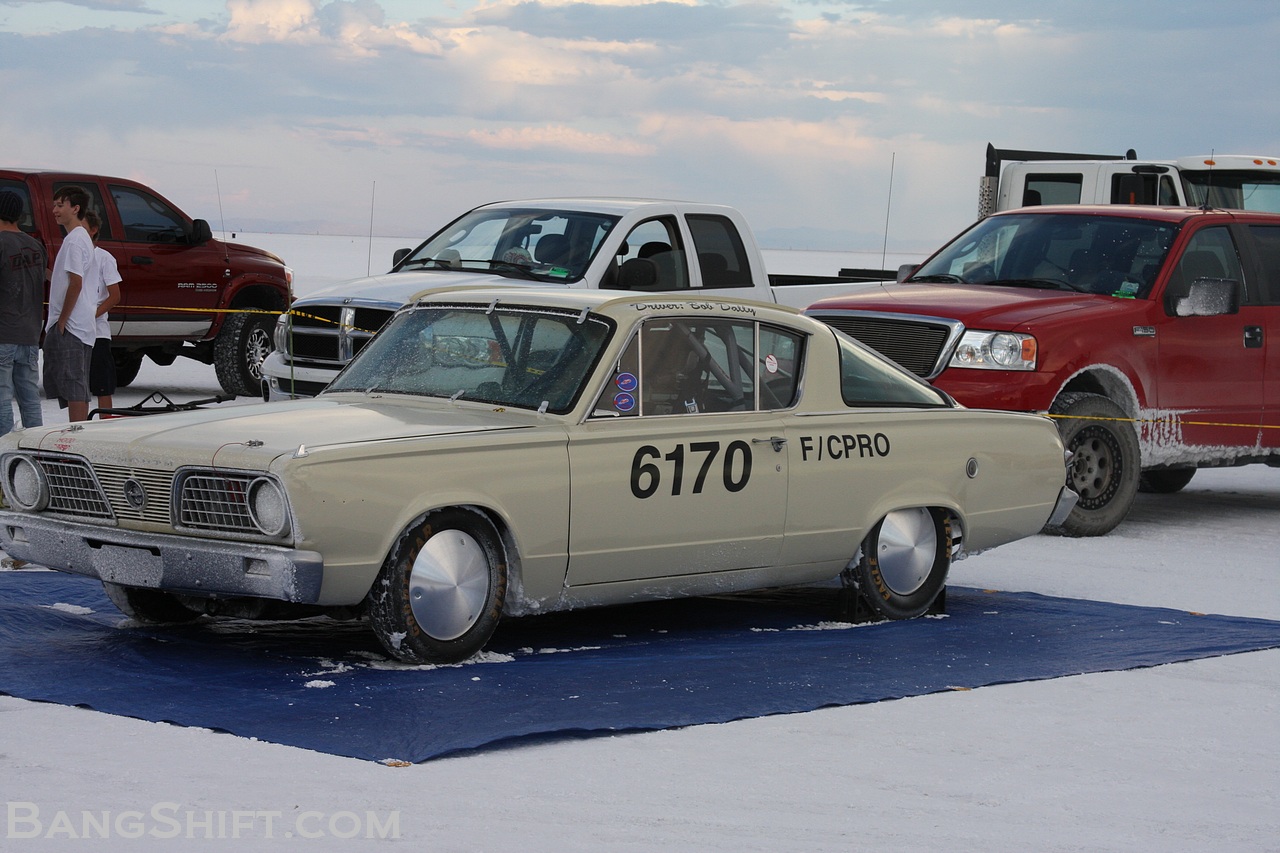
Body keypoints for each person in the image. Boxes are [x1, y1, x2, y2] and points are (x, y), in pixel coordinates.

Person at [44, 185, 98, 422]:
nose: (54, 210)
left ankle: (77, 438)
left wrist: (63, 320)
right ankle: (77, 434)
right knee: (73, 383)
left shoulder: (75, 240)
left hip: (73, 325)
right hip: (78, 323)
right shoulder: (77, 238)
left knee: (74, 384)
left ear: (75, 208)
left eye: (60, 205)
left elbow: (76, 282)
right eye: (54, 205)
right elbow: (66, 279)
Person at [0, 190, 45, 434]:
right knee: (30, 398)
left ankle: (4, 456)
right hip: (29, 333)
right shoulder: (36, 246)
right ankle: (37, 451)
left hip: (3, 333)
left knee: (2, 399)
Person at [84, 211, 121, 415]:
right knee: (78, 385)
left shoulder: (104, 258)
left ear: (93, 230)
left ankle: (106, 425)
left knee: (101, 384)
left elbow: (115, 296)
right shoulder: (71, 252)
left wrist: (92, 315)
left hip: (97, 332)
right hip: (76, 332)